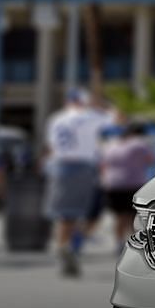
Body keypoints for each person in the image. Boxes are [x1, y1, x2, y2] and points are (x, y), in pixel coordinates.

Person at [43, 88, 109, 277]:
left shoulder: (55, 118)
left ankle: (65, 246)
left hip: (60, 165)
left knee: (65, 215)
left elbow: (51, 145)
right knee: (90, 212)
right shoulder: (90, 116)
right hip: (82, 166)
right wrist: (101, 106)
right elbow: (118, 118)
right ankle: (73, 246)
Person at [98, 120, 155, 253]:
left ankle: (118, 242)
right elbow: (151, 160)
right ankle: (134, 244)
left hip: (112, 184)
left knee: (119, 216)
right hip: (133, 183)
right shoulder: (140, 143)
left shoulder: (111, 144)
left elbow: (103, 164)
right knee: (133, 216)